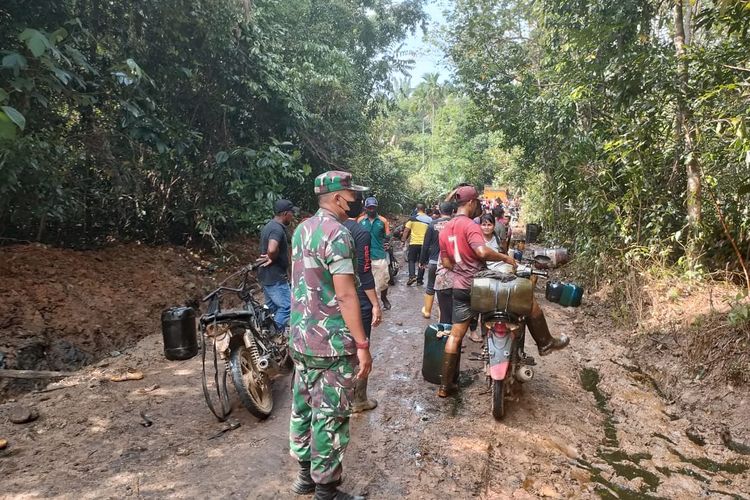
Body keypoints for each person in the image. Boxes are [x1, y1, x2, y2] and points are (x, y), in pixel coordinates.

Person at [436, 185, 569, 398]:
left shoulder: (445, 229)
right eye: (477, 202)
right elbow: (481, 251)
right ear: (471, 203)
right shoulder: (470, 225)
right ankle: (545, 343)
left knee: (455, 335)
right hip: (481, 285)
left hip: (460, 287)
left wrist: (462, 270)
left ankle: (445, 386)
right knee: (528, 301)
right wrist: (505, 258)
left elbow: (446, 262)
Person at [288, 171, 372, 500]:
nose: (355, 202)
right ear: (338, 198)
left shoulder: (301, 230)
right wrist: (362, 344)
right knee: (331, 414)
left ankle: (305, 478)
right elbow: (346, 295)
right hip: (331, 343)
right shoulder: (338, 234)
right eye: (352, 196)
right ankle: (326, 492)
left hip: (300, 337)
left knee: (304, 405)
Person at [343, 214, 382, 413]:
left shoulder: (314, 228)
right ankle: (359, 399)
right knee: (360, 345)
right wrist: (375, 303)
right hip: (356, 297)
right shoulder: (360, 233)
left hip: (327, 299)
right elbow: (364, 271)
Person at [257, 199, 295, 331]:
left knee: (272, 308)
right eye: (291, 213)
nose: (293, 215)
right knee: (287, 306)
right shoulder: (277, 229)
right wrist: (271, 256)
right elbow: (272, 248)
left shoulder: (269, 226)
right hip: (275, 277)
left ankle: (267, 336)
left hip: (266, 276)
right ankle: (273, 334)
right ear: (285, 213)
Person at [419, 202, 453, 319]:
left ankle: (427, 311)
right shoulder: (454, 224)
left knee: (430, 286)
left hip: (434, 261)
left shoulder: (432, 224)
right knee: (448, 289)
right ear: (453, 211)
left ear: (440, 211)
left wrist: (422, 261)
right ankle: (444, 316)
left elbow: (425, 245)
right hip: (449, 263)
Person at [358, 197, 392, 310]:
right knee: (365, 280)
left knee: (383, 280)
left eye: (373, 207)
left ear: (376, 207)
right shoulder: (360, 221)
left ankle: (384, 298)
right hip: (364, 255)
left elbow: (388, 236)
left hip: (379, 254)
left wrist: (387, 243)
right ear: (365, 208)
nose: (371, 209)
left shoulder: (383, 221)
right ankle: (372, 303)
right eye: (369, 207)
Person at [401, 203, 431, 286]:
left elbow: (406, 230)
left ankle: (412, 276)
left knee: (411, 260)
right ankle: (419, 280)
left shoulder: (412, 219)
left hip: (414, 243)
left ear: (416, 209)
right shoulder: (429, 219)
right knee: (423, 262)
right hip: (425, 244)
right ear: (424, 209)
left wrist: (403, 240)